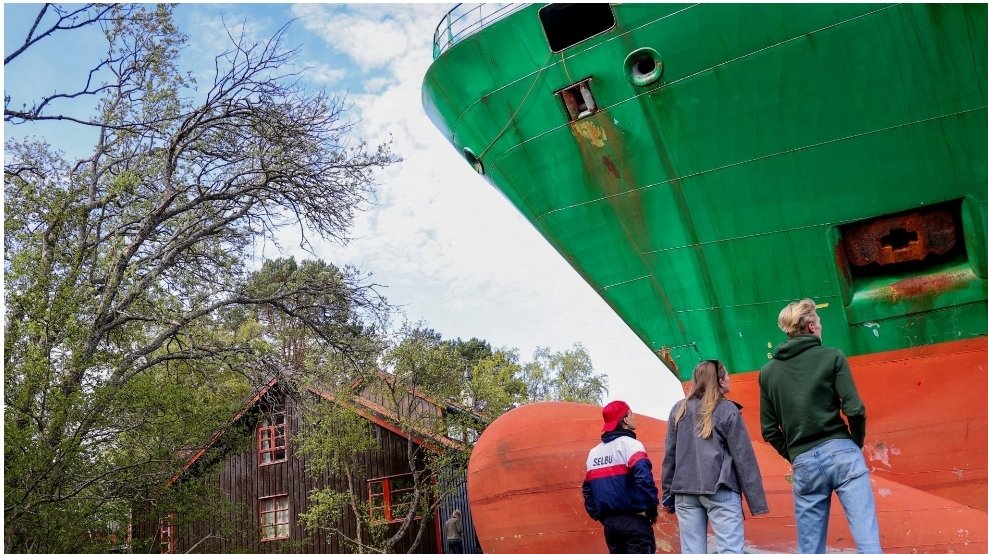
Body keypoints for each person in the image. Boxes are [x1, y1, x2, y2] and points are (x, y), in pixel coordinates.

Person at [759, 298, 882, 553]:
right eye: (820, 322)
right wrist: (853, 444)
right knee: (867, 541)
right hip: (841, 452)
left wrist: (794, 454)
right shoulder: (832, 356)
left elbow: (769, 430)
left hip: (803, 462)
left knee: (810, 548)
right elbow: (855, 410)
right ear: (812, 327)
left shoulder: (768, 372)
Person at [661, 360, 768, 554]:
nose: (729, 379)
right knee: (730, 550)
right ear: (719, 381)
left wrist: (668, 493)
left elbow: (670, 455)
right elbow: (744, 459)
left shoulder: (678, 410)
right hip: (720, 489)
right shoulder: (727, 410)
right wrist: (756, 502)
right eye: (727, 376)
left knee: (692, 551)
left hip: (684, 492)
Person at [582, 400, 660, 554]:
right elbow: (644, 479)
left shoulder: (594, 453)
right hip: (635, 522)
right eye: (631, 413)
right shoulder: (631, 445)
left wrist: (600, 517)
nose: (634, 417)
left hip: (611, 526)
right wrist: (652, 510)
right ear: (624, 419)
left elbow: (587, 490)